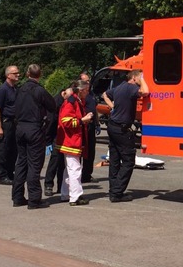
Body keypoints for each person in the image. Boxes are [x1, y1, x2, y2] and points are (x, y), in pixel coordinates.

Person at [11, 64, 57, 209]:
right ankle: (34, 199)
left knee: (21, 163)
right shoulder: (39, 91)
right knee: (34, 164)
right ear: (40, 74)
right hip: (34, 129)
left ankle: (17, 197)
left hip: (20, 128)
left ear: (27, 74)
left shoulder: (19, 90)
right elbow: (53, 106)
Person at [103, 69, 149, 202]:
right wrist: (141, 80)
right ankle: (117, 192)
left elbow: (105, 94)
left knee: (115, 159)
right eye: (140, 77)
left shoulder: (119, 87)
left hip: (112, 126)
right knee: (129, 161)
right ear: (134, 78)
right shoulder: (130, 88)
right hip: (122, 130)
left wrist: (112, 107)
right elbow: (145, 92)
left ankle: (113, 190)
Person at [55, 80, 93, 206]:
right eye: (87, 90)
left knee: (69, 169)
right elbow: (66, 121)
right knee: (75, 169)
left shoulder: (77, 101)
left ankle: (66, 194)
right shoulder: (71, 102)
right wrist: (83, 120)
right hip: (71, 140)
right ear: (81, 90)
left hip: (72, 139)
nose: (88, 93)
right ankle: (75, 197)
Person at [0, 65, 20, 185]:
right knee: (4, 149)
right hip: (6, 123)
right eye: (15, 73)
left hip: (14, 123)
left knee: (13, 150)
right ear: (8, 75)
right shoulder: (3, 89)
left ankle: (10, 172)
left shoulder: (15, 88)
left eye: (18, 73)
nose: (18, 75)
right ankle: (2, 175)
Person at [43, 87, 70, 196]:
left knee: (62, 163)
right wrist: (48, 141)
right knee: (55, 160)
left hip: (64, 135)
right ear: (63, 93)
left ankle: (61, 186)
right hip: (56, 135)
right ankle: (48, 184)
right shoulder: (56, 103)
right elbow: (51, 122)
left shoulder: (67, 101)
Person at [79, 72, 99, 183]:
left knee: (91, 151)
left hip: (91, 125)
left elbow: (95, 109)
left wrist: (97, 123)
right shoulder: (80, 94)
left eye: (88, 81)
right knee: (81, 151)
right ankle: (78, 175)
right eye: (85, 81)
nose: (88, 83)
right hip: (82, 125)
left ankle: (87, 175)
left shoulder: (91, 94)